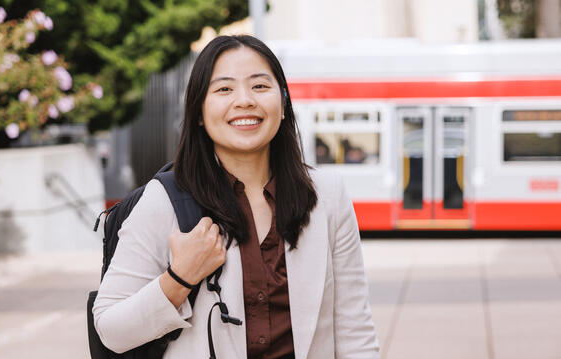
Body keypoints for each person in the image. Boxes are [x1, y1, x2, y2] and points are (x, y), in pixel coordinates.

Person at [93, 35, 380, 359]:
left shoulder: (327, 197)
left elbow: (355, 334)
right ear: (199, 112)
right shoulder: (165, 200)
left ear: (283, 104)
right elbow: (110, 329)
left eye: (259, 86)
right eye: (224, 89)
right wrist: (179, 278)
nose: (244, 100)